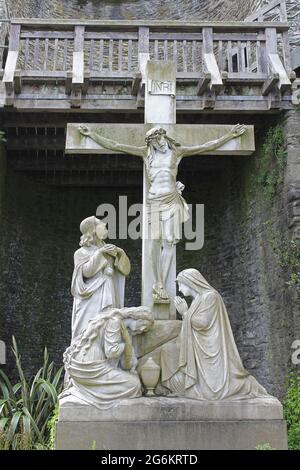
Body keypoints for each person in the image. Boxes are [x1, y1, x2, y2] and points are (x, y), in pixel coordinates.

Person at [79, 124, 246, 304]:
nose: (159, 144)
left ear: (164, 137)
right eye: (155, 142)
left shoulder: (177, 152)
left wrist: (229, 136)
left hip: (172, 201)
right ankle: (158, 283)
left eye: (160, 139)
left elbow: (206, 146)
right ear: (151, 144)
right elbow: (116, 145)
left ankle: (162, 284)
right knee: (154, 241)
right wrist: (93, 135)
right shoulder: (146, 154)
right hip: (155, 202)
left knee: (169, 242)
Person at [161, 268, 270, 400]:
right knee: (168, 350)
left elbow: (203, 323)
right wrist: (186, 314)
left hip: (211, 348)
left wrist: (185, 312)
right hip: (199, 347)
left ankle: (248, 385)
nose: (179, 289)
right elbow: (192, 325)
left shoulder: (211, 296)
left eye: (180, 284)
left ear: (190, 282)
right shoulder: (197, 300)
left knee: (212, 393)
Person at [61, 306, 153, 410]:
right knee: (134, 384)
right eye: (144, 325)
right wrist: (126, 344)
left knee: (132, 381)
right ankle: (89, 392)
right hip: (91, 366)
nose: (142, 330)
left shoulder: (115, 321)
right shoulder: (115, 322)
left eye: (145, 330)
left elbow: (125, 364)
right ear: (138, 317)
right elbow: (111, 352)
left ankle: (87, 389)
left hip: (85, 364)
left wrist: (127, 347)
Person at [71, 216, 131, 339]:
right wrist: (99, 253)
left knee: (107, 325)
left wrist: (121, 254)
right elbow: (87, 272)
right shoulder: (80, 253)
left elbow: (126, 270)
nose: (105, 228)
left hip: (108, 292)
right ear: (93, 230)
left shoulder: (109, 251)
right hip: (91, 296)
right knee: (88, 327)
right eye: (102, 226)